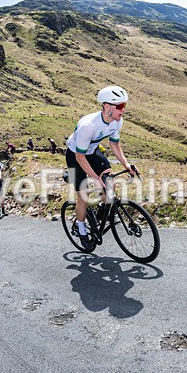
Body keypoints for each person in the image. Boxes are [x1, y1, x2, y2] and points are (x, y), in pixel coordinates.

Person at [65, 85, 135, 250]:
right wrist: (95, 179)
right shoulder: (88, 125)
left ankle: (99, 215)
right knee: (83, 196)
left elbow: (115, 145)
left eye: (124, 106)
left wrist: (126, 164)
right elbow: (80, 158)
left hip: (93, 152)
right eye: (119, 106)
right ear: (107, 106)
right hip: (76, 156)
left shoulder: (117, 121)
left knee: (110, 183)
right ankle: (81, 229)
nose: (123, 110)